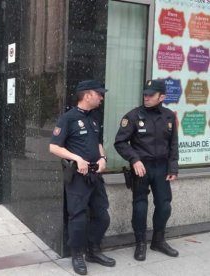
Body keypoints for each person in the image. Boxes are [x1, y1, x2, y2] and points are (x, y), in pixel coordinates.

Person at [49, 80, 116, 275]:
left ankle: (93, 250)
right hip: (78, 177)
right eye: (99, 94)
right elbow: (53, 147)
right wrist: (77, 158)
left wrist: (103, 158)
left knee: (102, 216)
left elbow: (98, 142)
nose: (101, 97)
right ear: (87, 95)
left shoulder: (94, 118)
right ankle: (77, 254)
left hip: (95, 175)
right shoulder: (67, 119)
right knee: (77, 218)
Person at [114, 79, 179, 261]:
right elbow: (120, 142)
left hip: (162, 168)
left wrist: (173, 167)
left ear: (162, 97)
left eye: (151, 95)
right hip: (141, 167)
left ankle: (158, 240)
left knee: (164, 206)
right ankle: (140, 243)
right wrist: (134, 159)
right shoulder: (133, 116)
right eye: (145, 94)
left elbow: (173, 144)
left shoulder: (169, 116)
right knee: (140, 206)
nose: (146, 97)